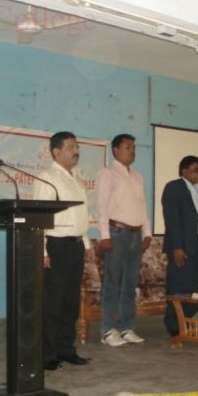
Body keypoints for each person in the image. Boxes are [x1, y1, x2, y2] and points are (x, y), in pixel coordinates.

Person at [33, 131, 91, 370]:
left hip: (75, 246)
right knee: (52, 304)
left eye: (77, 147)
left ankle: (66, 349)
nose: (76, 151)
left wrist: (86, 244)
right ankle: (48, 355)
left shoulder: (76, 178)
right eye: (71, 147)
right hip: (56, 246)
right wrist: (42, 252)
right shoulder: (46, 178)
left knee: (70, 303)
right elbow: (39, 218)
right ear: (56, 152)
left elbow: (81, 215)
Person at [95, 134, 151, 347]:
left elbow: (142, 206)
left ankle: (127, 328)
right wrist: (105, 236)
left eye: (134, 147)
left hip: (136, 235)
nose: (132, 151)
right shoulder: (107, 173)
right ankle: (108, 330)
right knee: (112, 284)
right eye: (127, 147)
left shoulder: (137, 176)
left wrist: (147, 233)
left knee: (130, 284)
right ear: (116, 150)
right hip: (116, 233)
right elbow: (101, 207)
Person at [161, 155, 198, 337]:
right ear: (184, 171)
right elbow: (172, 219)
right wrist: (177, 247)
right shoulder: (173, 187)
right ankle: (174, 326)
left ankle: (185, 321)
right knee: (179, 287)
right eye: (195, 169)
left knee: (196, 288)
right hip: (181, 246)